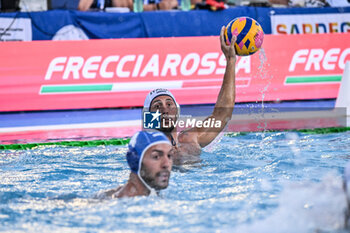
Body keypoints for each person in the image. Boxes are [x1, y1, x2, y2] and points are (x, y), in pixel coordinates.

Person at [143, 27, 237, 164]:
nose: (164, 109)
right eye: (157, 106)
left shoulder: (191, 138)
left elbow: (223, 115)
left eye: (169, 104)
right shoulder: (146, 148)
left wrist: (230, 61)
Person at [101, 130, 173, 198]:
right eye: (156, 157)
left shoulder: (151, 196)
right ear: (135, 162)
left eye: (169, 155)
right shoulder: (119, 204)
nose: (166, 164)